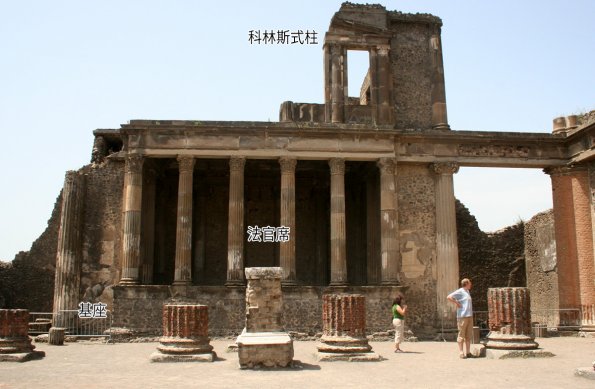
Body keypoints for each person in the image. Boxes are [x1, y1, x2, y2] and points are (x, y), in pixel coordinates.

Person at [447, 278, 473, 359]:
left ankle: (468, 352)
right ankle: (461, 352)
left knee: (468, 335)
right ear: (466, 284)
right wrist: (457, 303)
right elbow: (449, 297)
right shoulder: (460, 291)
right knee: (461, 334)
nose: (471, 284)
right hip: (462, 316)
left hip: (469, 316)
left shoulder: (467, 291)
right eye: (469, 283)